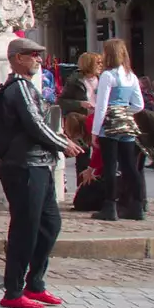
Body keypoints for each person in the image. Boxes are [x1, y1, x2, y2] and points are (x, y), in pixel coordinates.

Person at [0, 36, 76, 308]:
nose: (39, 60)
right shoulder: (18, 89)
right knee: (25, 228)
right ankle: (14, 290)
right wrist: (63, 144)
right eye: (33, 55)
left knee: (50, 225)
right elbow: (34, 124)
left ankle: (35, 283)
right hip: (24, 166)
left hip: (40, 163)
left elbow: (41, 122)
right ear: (18, 58)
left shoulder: (28, 88)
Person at [92, 38, 146, 221]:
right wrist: (124, 111)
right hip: (126, 122)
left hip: (110, 124)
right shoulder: (131, 76)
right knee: (130, 166)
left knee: (110, 166)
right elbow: (139, 104)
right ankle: (137, 205)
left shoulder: (108, 75)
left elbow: (101, 105)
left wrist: (95, 131)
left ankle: (110, 206)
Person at [59, 52, 102, 204]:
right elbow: (62, 101)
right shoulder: (75, 80)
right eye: (97, 62)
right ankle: (82, 193)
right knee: (83, 157)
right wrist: (80, 104)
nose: (100, 65)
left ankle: (97, 191)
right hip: (82, 121)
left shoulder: (102, 78)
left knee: (99, 156)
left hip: (99, 118)